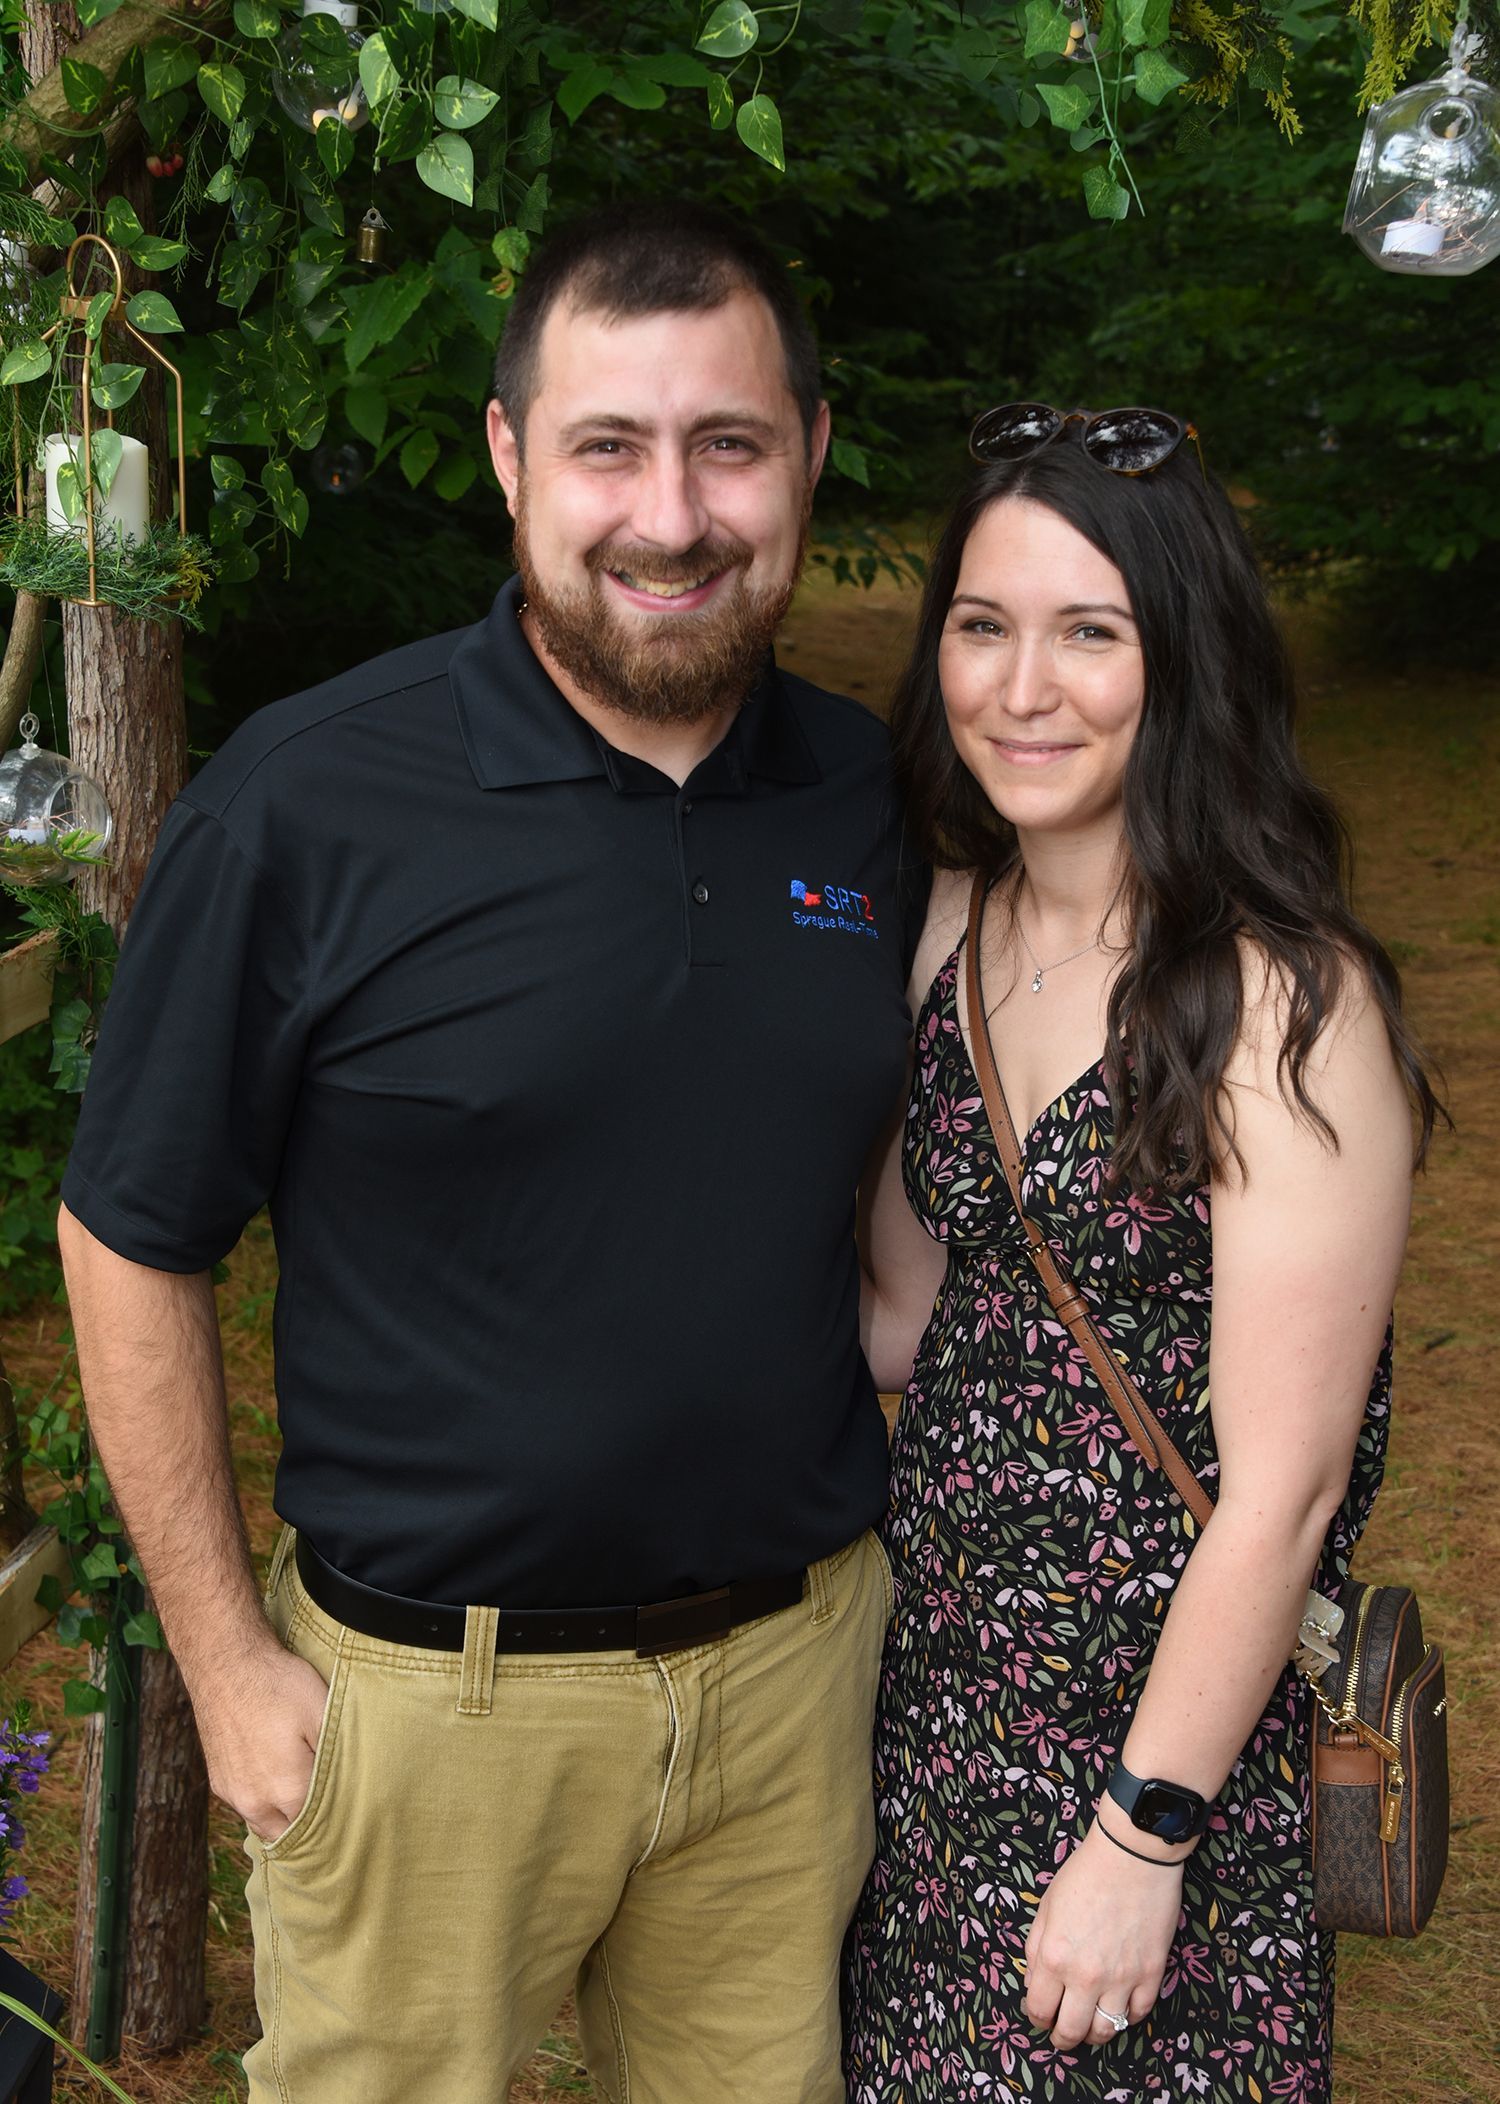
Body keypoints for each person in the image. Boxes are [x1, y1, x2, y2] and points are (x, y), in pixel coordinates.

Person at [56, 201, 925, 2104]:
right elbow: (128, 1233)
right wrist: (226, 1663)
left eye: (728, 444)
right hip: (426, 1712)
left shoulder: (871, 797)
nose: (671, 516)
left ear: (810, 453)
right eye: (610, 446)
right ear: (512, 457)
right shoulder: (308, 804)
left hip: (789, 1697)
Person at [842, 405, 1440, 2102]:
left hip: (1165, 1760)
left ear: (1185, 659)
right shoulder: (947, 932)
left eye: (1090, 634)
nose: (1022, 688)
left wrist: (1142, 1833)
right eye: (983, 625)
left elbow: (1285, 1493)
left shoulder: (1286, 1002)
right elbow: (908, 1323)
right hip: (936, 1727)